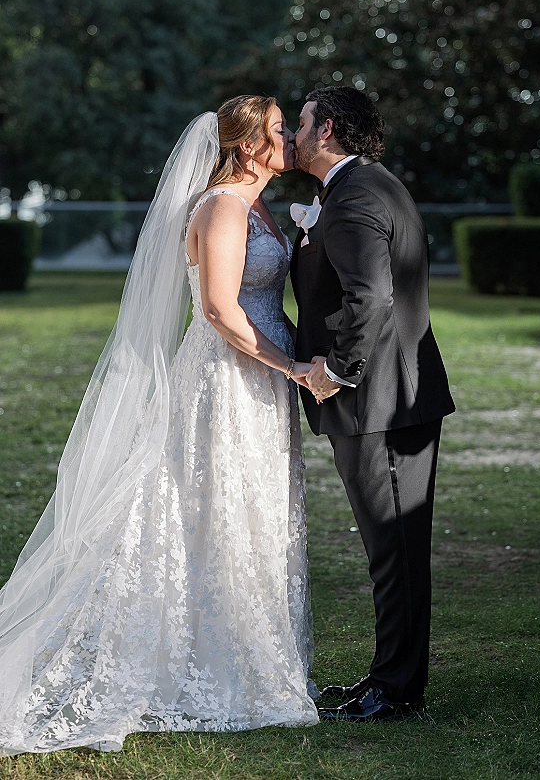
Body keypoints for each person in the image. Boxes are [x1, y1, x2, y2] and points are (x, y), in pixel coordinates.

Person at [0, 95, 319, 756]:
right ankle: (208, 662)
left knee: (250, 511)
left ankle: (246, 649)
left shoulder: (256, 204)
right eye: (282, 129)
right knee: (210, 509)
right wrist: (291, 366)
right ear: (250, 142)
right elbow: (220, 311)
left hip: (261, 376)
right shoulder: (223, 206)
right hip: (229, 376)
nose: (291, 138)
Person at [290, 85, 455, 721]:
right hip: (396, 396)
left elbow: (372, 296)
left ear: (326, 129)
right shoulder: (366, 184)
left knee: (393, 548)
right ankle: (391, 678)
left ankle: (396, 690)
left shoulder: (356, 196)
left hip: (381, 401)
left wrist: (337, 369)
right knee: (395, 549)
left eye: (299, 124)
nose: (292, 136)